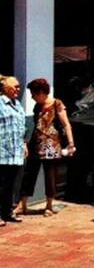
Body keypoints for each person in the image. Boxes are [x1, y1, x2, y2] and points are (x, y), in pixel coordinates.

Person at [16, 78, 75, 217]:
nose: (32, 97)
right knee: (29, 174)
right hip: (36, 144)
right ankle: (22, 203)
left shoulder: (56, 104)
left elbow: (66, 124)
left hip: (51, 145)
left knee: (50, 176)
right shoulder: (37, 106)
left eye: (34, 94)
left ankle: (49, 205)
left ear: (41, 92)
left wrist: (70, 142)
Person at [0, 76, 26, 225]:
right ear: (5, 88)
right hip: (2, 152)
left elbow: (22, 127)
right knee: (1, 184)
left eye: (18, 86)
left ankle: (7, 212)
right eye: (15, 86)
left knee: (11, 185)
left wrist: (24, 143)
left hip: (15, 152)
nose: (18, 89)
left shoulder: (17, 105)